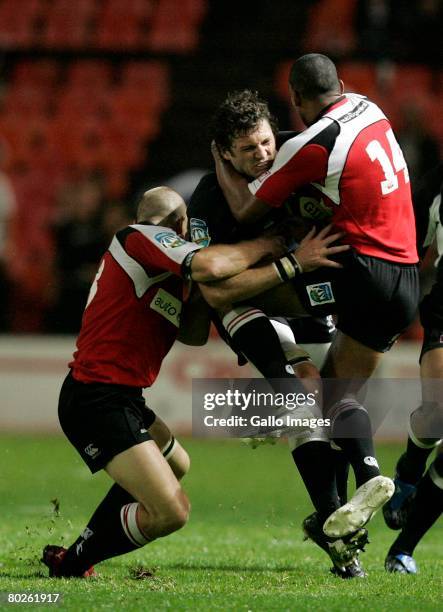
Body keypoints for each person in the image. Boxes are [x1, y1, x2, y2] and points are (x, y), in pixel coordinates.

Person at [42, 186, 342, 578]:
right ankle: (75, 562)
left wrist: (212, 296)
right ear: (180, 224)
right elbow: (208, 266)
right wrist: (273, 250)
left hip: (122, 396)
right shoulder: (138, 236)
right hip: (96, 400)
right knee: (170, 513)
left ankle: (79, 553)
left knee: (177, 462)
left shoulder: (159, 268)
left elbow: (195, 332)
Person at [212, 53, 420, 539]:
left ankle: (277, 389)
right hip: (407, 280)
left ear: (296, 100)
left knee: (235, 292)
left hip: (360, 270)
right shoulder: (368, 107)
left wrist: (221, 158)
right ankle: (364, 484)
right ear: (342, 84)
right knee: (337, 396)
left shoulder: (313, 142)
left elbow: (244, 210)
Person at [188, 90, 366, 578]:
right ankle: (336, 526)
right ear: (225, 153)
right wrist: (290, 261)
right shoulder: (208, 197)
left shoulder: (297, 158)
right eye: (247, 150)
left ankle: (337, 516)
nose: (262, 155)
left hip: (303, 296)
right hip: (249, 303)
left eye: (265, 142)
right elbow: (216, 291)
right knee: (299, 388)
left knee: (334, 399)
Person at [384, 164, 443, 573]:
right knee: (437, 414)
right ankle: (408, 471)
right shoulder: (437, 195)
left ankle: (402, 549)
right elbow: (416, 254)